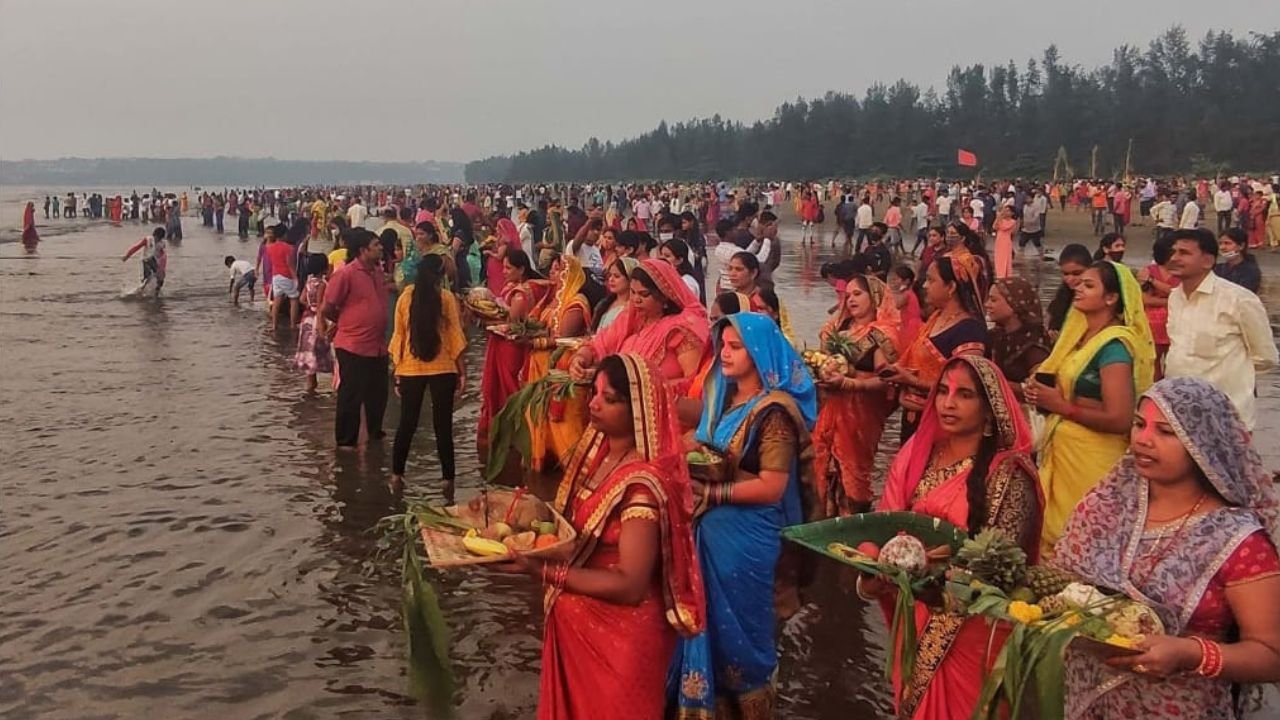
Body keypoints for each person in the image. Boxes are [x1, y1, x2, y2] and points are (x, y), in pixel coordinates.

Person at [1053, 377, 1280, 719]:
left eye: (1166, 432)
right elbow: (1058, 585)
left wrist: (1191, 654)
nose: (1144, 440)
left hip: (1181, 708)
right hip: (1084, 699)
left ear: (1201, 444)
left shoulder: (1239, 540)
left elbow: (1271, 656)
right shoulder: (1107, 505)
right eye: (1140, 424)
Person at [501, 353, 704, 720]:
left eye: (609, 399)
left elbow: (631, 585)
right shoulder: (598, 457)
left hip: (622, 641)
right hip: (581, 628)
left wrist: (542, 571)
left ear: (638, 410)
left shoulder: (642, 485)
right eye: (594, 393)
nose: (593, 404)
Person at [865, 355, 1041, 719]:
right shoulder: (919, 454)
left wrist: (935, 570)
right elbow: (886, 526)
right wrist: (875, 570)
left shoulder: (1011, 476)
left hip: (975, 631)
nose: (947, 402)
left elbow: (1001, 567)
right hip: (917, 613)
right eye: (943, 391)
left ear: (989, 410)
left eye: (964, 395)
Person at [671, 313, 816, 718]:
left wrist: (715, 493)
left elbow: (771, 485)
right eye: (723, 345)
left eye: (736, 347)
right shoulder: (724, 398)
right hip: (710, 532)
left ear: (759, 353)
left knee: (744, 637)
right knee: (705, 625)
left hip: (747, 540)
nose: (725, 353)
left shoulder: (774, 411)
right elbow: (701, 441)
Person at [1026, 260, 1155, 557]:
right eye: (1079, 283)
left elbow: (1121, 418)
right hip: (1065, 450)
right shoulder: (1080, 339)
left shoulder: (1114, 347)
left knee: (1085, 541)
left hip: (1093, 460)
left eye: (1088, 285)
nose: (1078, 289)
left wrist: (1062, 406)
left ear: (1111, 298)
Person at [1164, 228, 1277, 431]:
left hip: (1226, 419)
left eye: (1184, 253)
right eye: (1174, 252)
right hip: (1179, 415)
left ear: (1207, 261)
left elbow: (1265, 357)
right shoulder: (1175, 297)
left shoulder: (1239, 299)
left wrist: (1235, 379)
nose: (1174, 258)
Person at [812, 275, 901, 516]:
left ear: (875, 299)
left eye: (858, 294)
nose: (851, 299)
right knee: (822, 466)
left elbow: (887, 380)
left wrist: (851, 383)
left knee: (854, 473)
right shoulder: (838, 327)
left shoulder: (881, 335)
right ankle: (823, 519)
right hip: (830, 409)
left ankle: (852, 523)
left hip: (860, 417)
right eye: (848, 295)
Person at [880, 251, 989, 440]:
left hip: (945, 425)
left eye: (931, 280)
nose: (924, 286)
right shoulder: (934, 318)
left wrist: (912, 381)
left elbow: (968, 388)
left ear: (951, 287)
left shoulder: (970, 330)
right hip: (913, 418)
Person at [570, 259, 709, 395]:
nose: (636, 300)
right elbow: (597, 345)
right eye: (633, 292)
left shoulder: (680, 330)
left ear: (665, 297)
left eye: (644, 294)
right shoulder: (631, 320)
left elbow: (696, 383)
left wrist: (643, 388)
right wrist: (580, 359)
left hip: (662, 409)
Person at [388, 255, 466, 494]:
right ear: (440, 275)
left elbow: (399, 336)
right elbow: (455, 336)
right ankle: (448, 482)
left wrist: (397, 371)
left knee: (406, 425)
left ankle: (396, 477)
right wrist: (462, 372)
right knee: (443, 426)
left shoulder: (405, 298)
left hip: (410, 368)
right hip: (443, 367)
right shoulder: (446, 298)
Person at [320, 230, 390, 449]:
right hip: (353, 344)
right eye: (376, 245)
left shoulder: (378, 272)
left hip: (377, 345)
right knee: (351, 395)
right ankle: (346, 443)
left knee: (378, 393)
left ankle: (375, 434)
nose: (381, 248)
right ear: (363, 250)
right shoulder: (346, 274)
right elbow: (328, 307)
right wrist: (343, 322)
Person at [524, 256, 592, 472]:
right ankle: (547, 470)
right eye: (552, 270)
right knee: (540, 418)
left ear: (569, 274)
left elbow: (564, 336)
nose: (553, 275)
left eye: (559, 271)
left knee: (565, 423)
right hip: (543, 367)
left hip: (563, 368)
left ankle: (576, 472)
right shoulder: (550, 299)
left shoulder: (575, 302)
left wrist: (539, 341)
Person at [478, 249, 548, 445]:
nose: (504, 271)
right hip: (517, 344)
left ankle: (510, 431)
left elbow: (512, 321)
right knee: (515, 385)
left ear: (522, 269)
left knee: (506, 388)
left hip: (510, 345)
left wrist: (486, 312)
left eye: (508, 267)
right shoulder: (534, 286)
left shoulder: (521, 293)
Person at [985, 276, 1052, 391]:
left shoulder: (1033, 344)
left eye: (993, 300)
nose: (987, 304)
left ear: (1014, 305)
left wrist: (997, 385)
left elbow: (1041, 390)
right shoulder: (996, 335)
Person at [294, 254, 334, 392]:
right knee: (325, 350)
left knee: (309, 351)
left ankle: (311, 385)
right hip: (318, 319)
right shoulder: (322, 284)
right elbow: (321, 303)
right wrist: (321, 320)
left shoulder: (309, 282)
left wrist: (310, 305)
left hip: (307, 319)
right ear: (324, 267)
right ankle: (336, 381)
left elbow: (301, 299)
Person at [1045, 243, 1094, 336]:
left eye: (1077, 273)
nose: (1070, 279)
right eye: (1066, 274)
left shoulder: (1098, 301)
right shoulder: (1059, 301)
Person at [264, 224, 300, 327]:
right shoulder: (289, 248)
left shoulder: (269, 248)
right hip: (287, 276)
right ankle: (293, 325)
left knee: (277, 301)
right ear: (284, 234)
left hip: (276, 277)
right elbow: (290, 264)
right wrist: (295, 278)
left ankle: (274, 325)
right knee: (294, 299)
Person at [591, 257, 639, 332]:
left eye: (617, 276)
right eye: (610, 275)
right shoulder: (604, 303)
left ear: (630, 279)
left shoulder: (635, 308)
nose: (611, 279)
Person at [121, 227, 167, 298]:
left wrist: (162, 268)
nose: (156, 239)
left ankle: (156, 293)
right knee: (147, 278)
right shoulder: (148, 239)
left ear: (161, 238)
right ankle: (140, 291)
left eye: (158, 238)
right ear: (154, 235)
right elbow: (136, 247)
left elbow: (163, 256)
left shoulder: (162, 243)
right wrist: (127, 256)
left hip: (155, 261)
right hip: (146, 260)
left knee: (160, 279)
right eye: (155, 237)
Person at [1214, 227, 1261, 293]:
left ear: (1241, 246)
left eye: (1227, 243)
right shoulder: (1218, 268)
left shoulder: (1250, 271)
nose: (1222, 247)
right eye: (1220, 243)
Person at [991, 205, 1017, 279]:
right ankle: (999, 275)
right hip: (999, 241)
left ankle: (1006, 275)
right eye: (1005, 210)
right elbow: (994, 227)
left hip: (1006, 241)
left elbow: (1003, 227)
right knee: (998, 259)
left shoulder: (1013, 222)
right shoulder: (1001, 220)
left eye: (1008, 211)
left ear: (1012, 213)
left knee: (1006, 259)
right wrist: (999, 217)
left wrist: (1000, 216)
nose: (1006, 212)